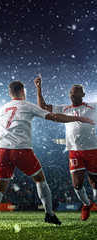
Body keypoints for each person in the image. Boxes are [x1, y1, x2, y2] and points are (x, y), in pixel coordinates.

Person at [0, 80, 95, 228]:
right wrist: (79, 118)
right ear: (23, 92)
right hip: (21, 149)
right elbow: (54, 117)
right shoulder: (27, 105)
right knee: (40, 180)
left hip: (2, 150)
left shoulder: (2, 109)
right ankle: (49, 214)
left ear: (10, 93)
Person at [35, 74, 97, 221]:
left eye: (75, 91)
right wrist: (39, 88)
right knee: (77, 184)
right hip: (74, 151)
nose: (72, 93)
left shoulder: (93, 106)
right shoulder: (65, 108)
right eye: (70, 91)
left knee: (95, 181)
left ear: (83, 94)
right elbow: (43, 107)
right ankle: (86, 204)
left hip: (93, 149)